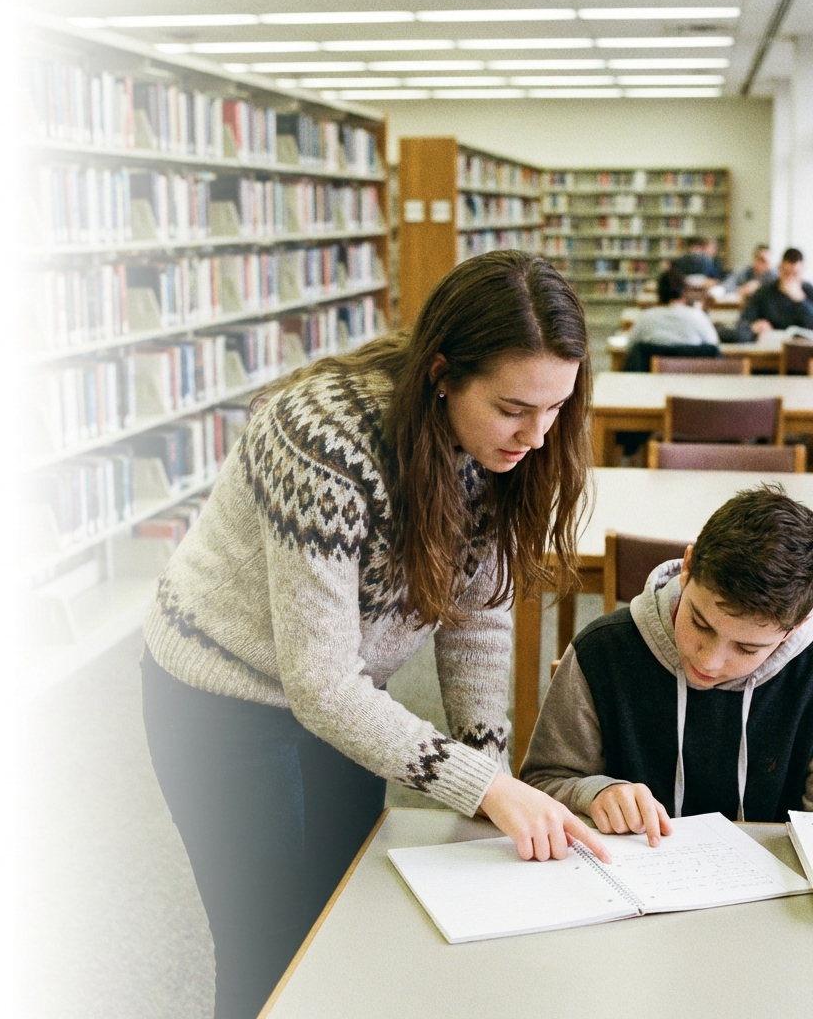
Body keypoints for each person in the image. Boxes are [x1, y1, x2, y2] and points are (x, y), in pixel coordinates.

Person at [141, 250, 608, 1019]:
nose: (536, 432)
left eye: (556, 407)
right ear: (442, 373)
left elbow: (478, 618)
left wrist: (485, 777)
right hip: (221, 698)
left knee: (343, 919)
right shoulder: (320, 438)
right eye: (513, 407)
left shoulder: (506, 444)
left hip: (349, 692)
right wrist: (487, 787)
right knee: (268, 948)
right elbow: (318, 684)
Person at [521, 485, 813, 848]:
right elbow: (540, 783)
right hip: (630, 883)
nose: (709, 660)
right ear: (687, 568)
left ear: (795, 628)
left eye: (746, 648)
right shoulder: (602, 653)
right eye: (700, 623)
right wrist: (595, 793)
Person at [624, 267, 719, 352]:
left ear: (658, 294)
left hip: (654, 370)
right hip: (689, 370)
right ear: (684, 293)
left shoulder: (645, 318)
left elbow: (630, 347)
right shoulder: (698, 316)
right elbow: (713, 345)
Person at [737, 247, 813, 340]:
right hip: (770, 347)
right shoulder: (764, 292)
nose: (790, 278)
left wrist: (801, 300)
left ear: (803, 271)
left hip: (803, 349)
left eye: (795, 273)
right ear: (779, 270)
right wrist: (754, 327)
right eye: (786, 273)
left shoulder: (809, 291)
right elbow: (743, 324)